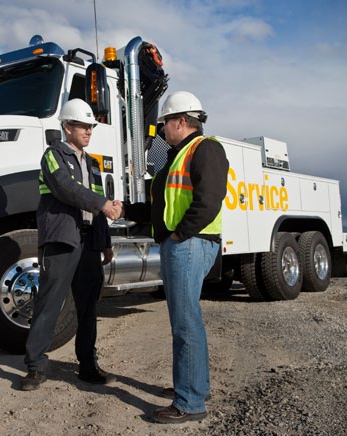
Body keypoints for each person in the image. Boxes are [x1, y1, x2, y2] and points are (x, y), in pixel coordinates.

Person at [123, 91, 229, 423]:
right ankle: (195, 386)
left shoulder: (204, 148)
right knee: (187, 320)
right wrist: (124, 209)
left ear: (181, 121)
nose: (160, 130)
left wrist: (179, 235)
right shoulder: (176, 155)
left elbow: (210, 199)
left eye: (164, 123)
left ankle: (190, 402)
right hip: (184, 242)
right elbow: (161, 206)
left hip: (190, 243)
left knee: (185, 323)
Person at [20, 99, 121, 391]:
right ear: (67, 127)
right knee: (50, 303)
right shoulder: (52, 156)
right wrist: (103, 204)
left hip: (89, 241)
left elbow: (98, 203)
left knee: (88, 307)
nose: (89, 131)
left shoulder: (93, 163)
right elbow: (67, 189)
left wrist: (105, 242)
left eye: (91, 126)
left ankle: (88, 366)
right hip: (62, 239)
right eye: (83, 126)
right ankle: (35, 367)